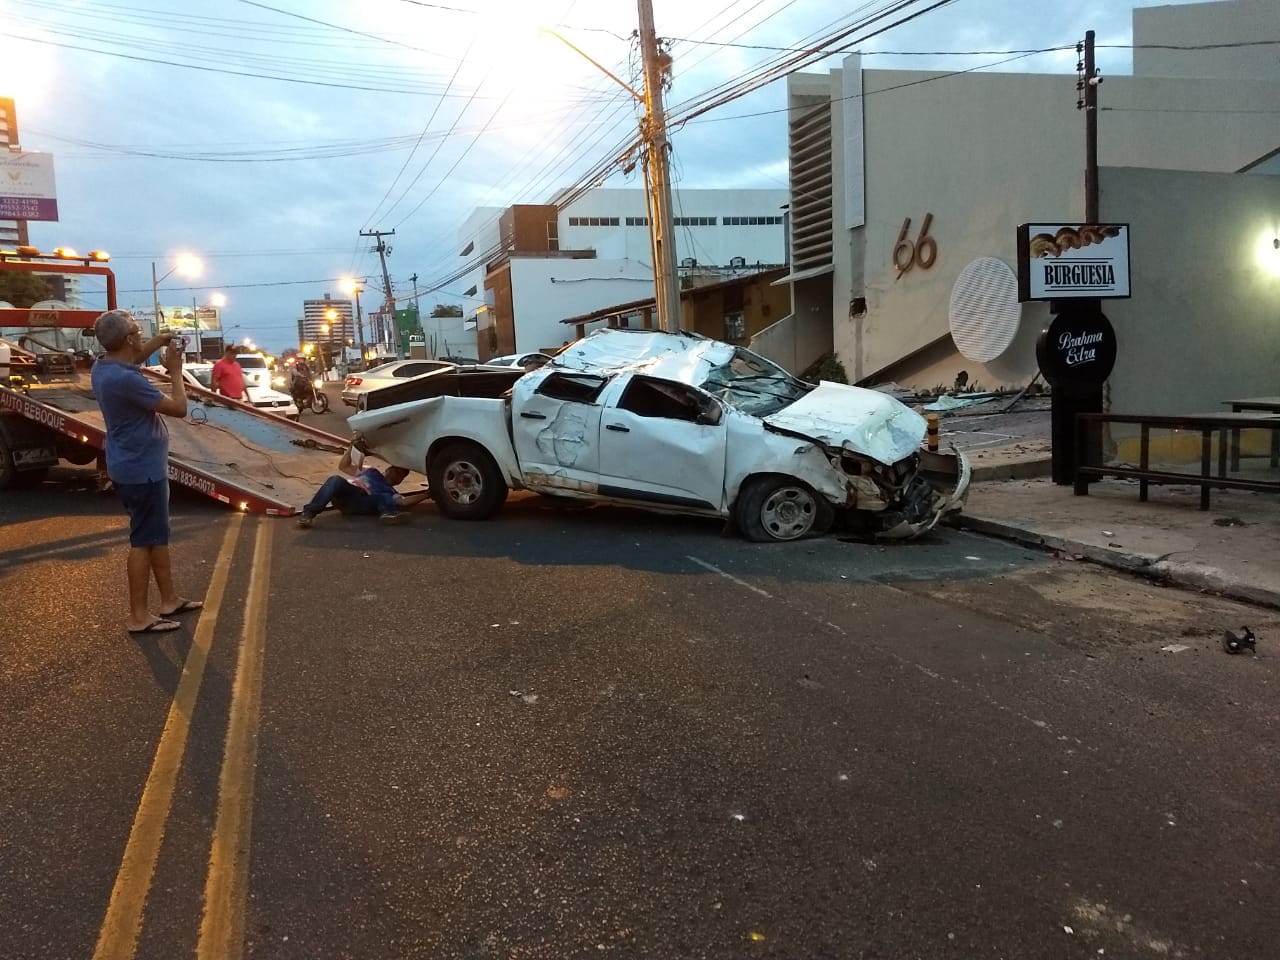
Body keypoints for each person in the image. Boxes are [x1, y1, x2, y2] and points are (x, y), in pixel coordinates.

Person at [91, 309, 203, 634]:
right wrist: (176, 371)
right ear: (127, 339)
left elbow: (134, 356)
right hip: (141, 471)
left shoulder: (105, 365)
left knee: (157, 536)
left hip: (135, 464)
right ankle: (138, 616)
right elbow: (180, 408)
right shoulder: (125, 379)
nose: (141, 334)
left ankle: (169, 599)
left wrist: (161, 340)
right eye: (138, 330)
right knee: (143, 540)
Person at [296, 444, 430, 527]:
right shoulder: (370, 471)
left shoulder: (389, 491)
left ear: (400, 480)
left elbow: (404, 502)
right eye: (394, 470)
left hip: (364, 503)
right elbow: (344, 466)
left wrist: (428, 493)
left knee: (383, 496)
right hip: (348, 495)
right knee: (335, 479)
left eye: (400, 474)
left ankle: (388, 514)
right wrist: (352, 446)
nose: (394, 474)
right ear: (388, 469)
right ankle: (308, 514)